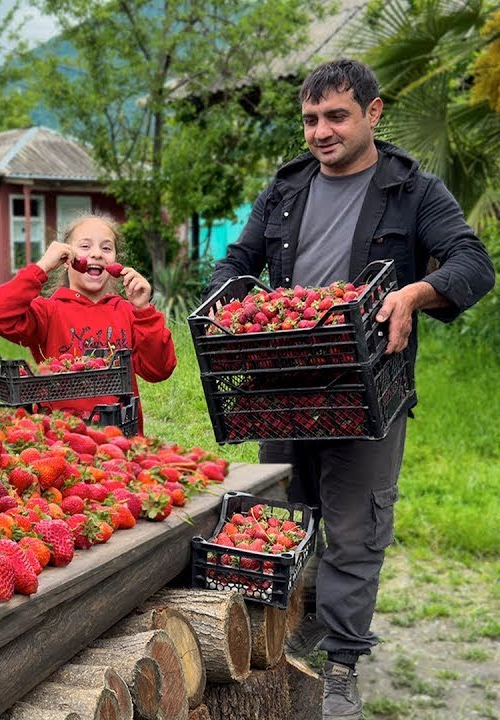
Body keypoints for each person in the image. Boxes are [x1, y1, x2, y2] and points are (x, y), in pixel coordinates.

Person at [204, 59, 494, 720]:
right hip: (282, 385)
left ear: (373, 112)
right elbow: (239, 260)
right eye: (311, 119)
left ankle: (341, 666)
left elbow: (474, 263)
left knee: (357, 531)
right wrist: (227, 301)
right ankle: (289, 639)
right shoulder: (286, 188)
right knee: (286, 517)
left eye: (336, 116)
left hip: (367, 390)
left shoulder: (411, 190)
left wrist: (415, 293)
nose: (321, 132)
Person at [0, 213, 177, 432]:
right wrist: (42, 267)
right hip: (62, 439)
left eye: (106, 248)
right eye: (85, 246)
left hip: (121, 439)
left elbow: (159, 370)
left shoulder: (128, 312)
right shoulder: (48, 311)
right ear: (66, 260)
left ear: (115, 260)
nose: (97, 254)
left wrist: (144, 310)